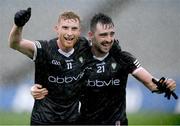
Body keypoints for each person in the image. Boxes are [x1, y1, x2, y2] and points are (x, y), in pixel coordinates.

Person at [31, 13, 177, 125]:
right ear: (91, 36)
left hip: (116, 123)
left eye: (111, 34)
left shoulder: (122, 58)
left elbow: (151, 83)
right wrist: (35, 89)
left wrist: (164, 86)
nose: (108, 39)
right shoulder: (79, 56)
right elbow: (59, 75)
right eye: (103, 35)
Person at [9, 8, 121, 125]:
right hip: (43, 120)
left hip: (72, 120)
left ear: (79, 31)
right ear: (57, 29)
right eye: (65, 27)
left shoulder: (85, 47)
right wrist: (18, 25)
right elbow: (15, 43)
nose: (69, 33)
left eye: (74, 28)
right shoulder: (45, 49)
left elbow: (108, 48)